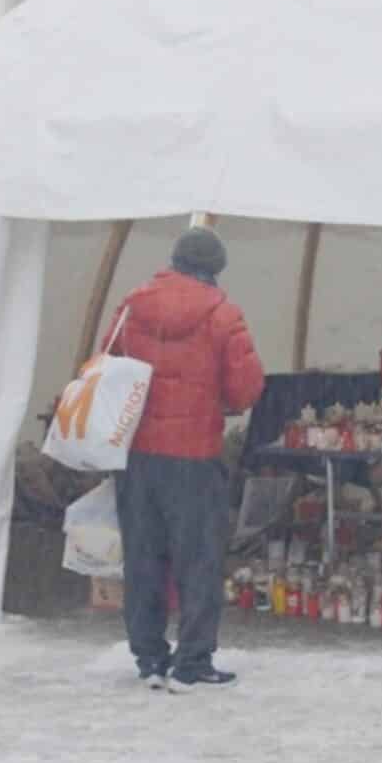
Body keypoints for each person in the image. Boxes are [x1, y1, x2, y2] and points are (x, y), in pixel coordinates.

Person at [108, 227, 265, 690]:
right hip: (194, 456)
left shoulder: (132, 305)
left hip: (136, 454)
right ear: (214, 270)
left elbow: (106, 366)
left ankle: (149, 658)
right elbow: (246, 387)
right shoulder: (223, 314)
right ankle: (193, 660)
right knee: (197, 561)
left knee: (142, 557)